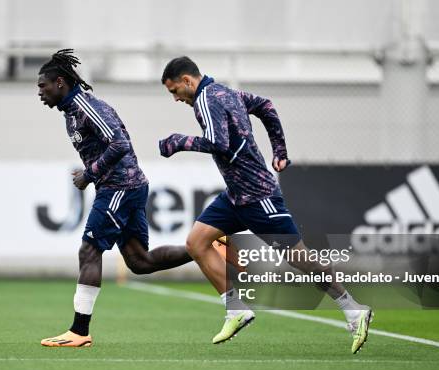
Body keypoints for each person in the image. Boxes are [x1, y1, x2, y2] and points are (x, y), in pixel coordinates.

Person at [159, 56, 373, 353]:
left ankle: (353, 309)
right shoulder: (227, 93)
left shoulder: (206, 100)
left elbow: (219, 143)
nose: (175, 98)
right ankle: (236, 309)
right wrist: (280, 150)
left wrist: (178, 142)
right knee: (196, 242)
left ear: (187, 81)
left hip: (259, 197)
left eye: (174, 91)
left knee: (302, 260)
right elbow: (265, 106)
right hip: (236, 196)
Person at [36, 49, 196, 347]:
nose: (40, 93)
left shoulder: (84, 105)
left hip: (119, 187)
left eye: (42, 86)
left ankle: (79, 331)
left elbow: (120, 143)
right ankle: (202, 245)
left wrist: (90, 173)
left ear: (60, 82)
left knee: (89, 250)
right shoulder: (71, 112)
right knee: (139, 261)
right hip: (126, 186)